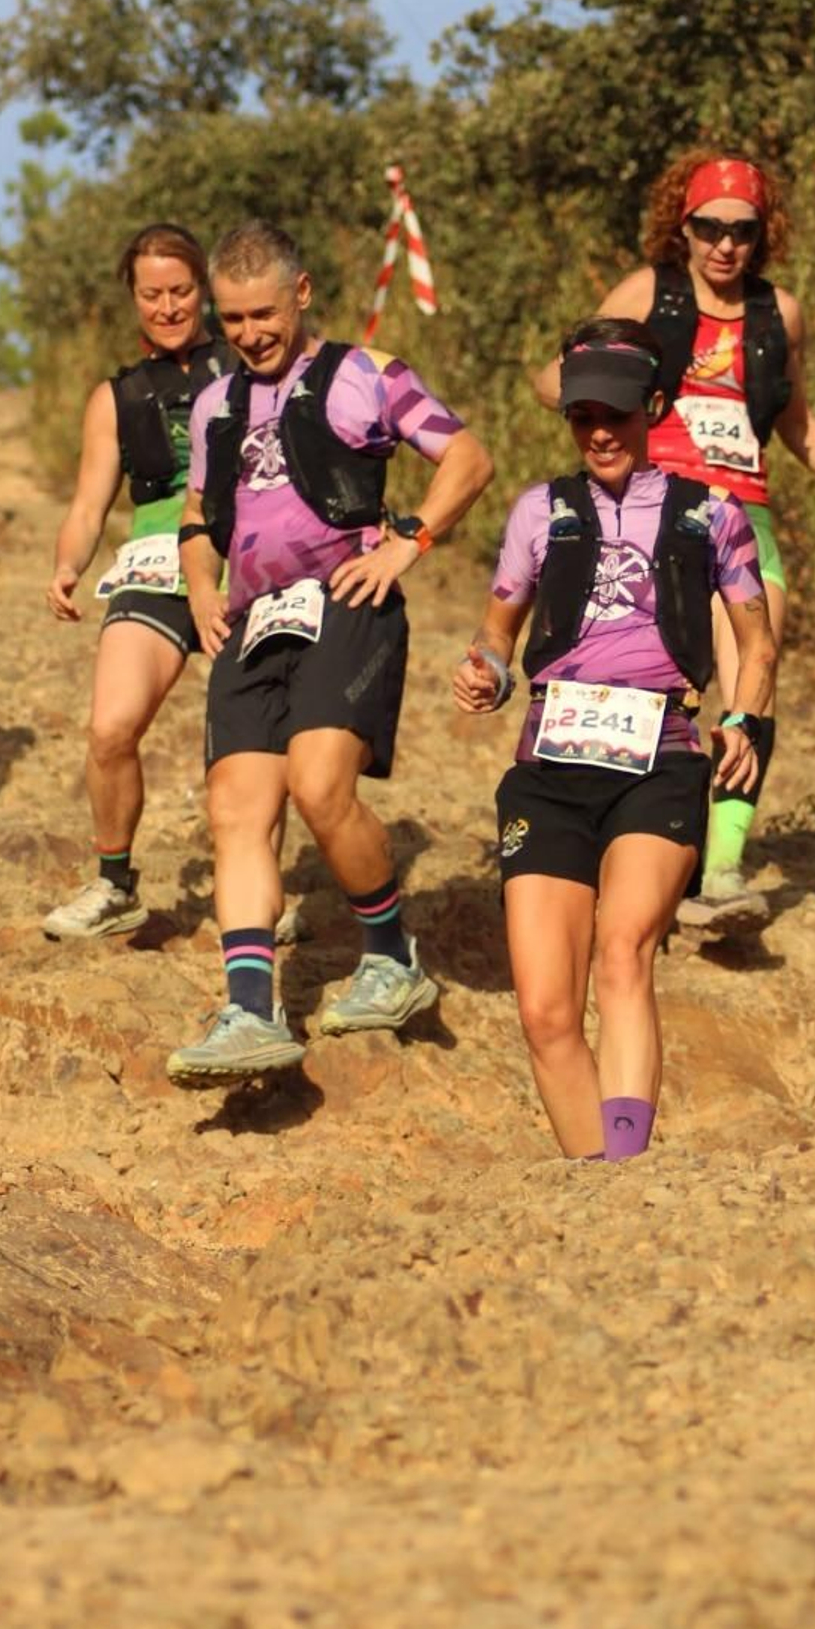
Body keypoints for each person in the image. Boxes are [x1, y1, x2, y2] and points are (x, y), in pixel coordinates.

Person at [535, 147, 815, 929]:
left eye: (742, 230)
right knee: (634, 676)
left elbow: (800, 429)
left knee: (754, 671)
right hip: (652, 506)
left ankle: (724, 869)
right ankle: (608, 846)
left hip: (743, 515)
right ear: (685, 224)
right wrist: (603, 409)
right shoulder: (649, 292)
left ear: (763, 234)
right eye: (709, 227)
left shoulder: (782, 314)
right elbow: (553, 378)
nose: (725, 245)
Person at [166, 220, 492, 1083]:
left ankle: (390, 956)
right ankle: (249, 1011)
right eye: (231, 321)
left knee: (317, 787)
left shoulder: (365, 376)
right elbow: (198, 514)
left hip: (348, 601)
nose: (249, 335)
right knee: (234, 810)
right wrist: (200, 585)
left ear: (301, 293)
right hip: (250, 620)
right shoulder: (214, 405)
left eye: (263, 315)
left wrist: (407, 543)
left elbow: (467, 457)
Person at [458, 321, 776, 1160]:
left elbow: (759, 641)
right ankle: (595, 1181)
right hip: (548, 764)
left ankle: (628, 1167)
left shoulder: (714, 515)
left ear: (655, 410)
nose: (600, 431)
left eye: (618, 414)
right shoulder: (538, 510)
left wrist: (743, 716)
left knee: (624, 951)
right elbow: (496, 631)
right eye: (582, 415)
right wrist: (485, 670)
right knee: (544, 1011)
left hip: (660, 757)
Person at [42, 221, 234, 940]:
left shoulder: (248, 366)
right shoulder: (114, 397)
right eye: (151, 294)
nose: (167, 307)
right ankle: (115, 883)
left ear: (205, 291)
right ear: (133, 299)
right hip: (155, 563)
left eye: (180, 291)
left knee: (249, 745)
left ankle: (256, 890)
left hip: (243, 560)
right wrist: (68, 565)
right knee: (111, 728)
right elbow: (89, 505)